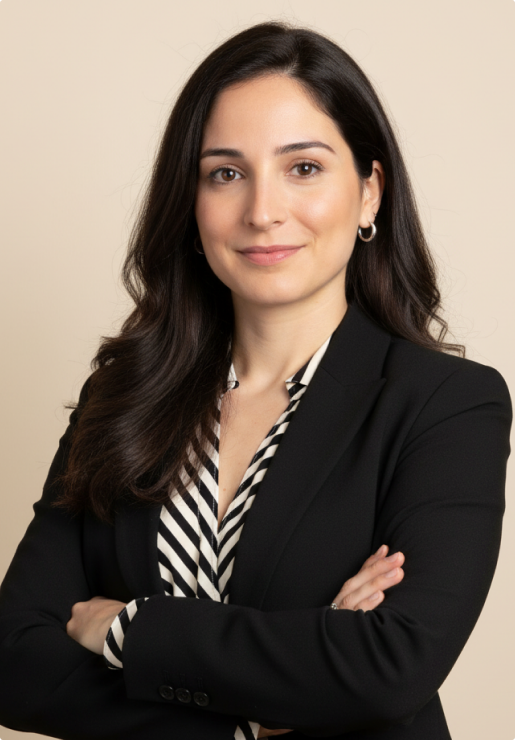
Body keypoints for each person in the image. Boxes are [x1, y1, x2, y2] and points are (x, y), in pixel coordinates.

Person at [0, 20, 511, 740]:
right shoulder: (120, 397)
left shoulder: (446, 404)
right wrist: (273, 702)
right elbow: (15, 662)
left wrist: (131, 630)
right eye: (226, 173)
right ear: (191, 201)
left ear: (369, 193)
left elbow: (389, 666)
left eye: (303, 168)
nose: (262, 212)